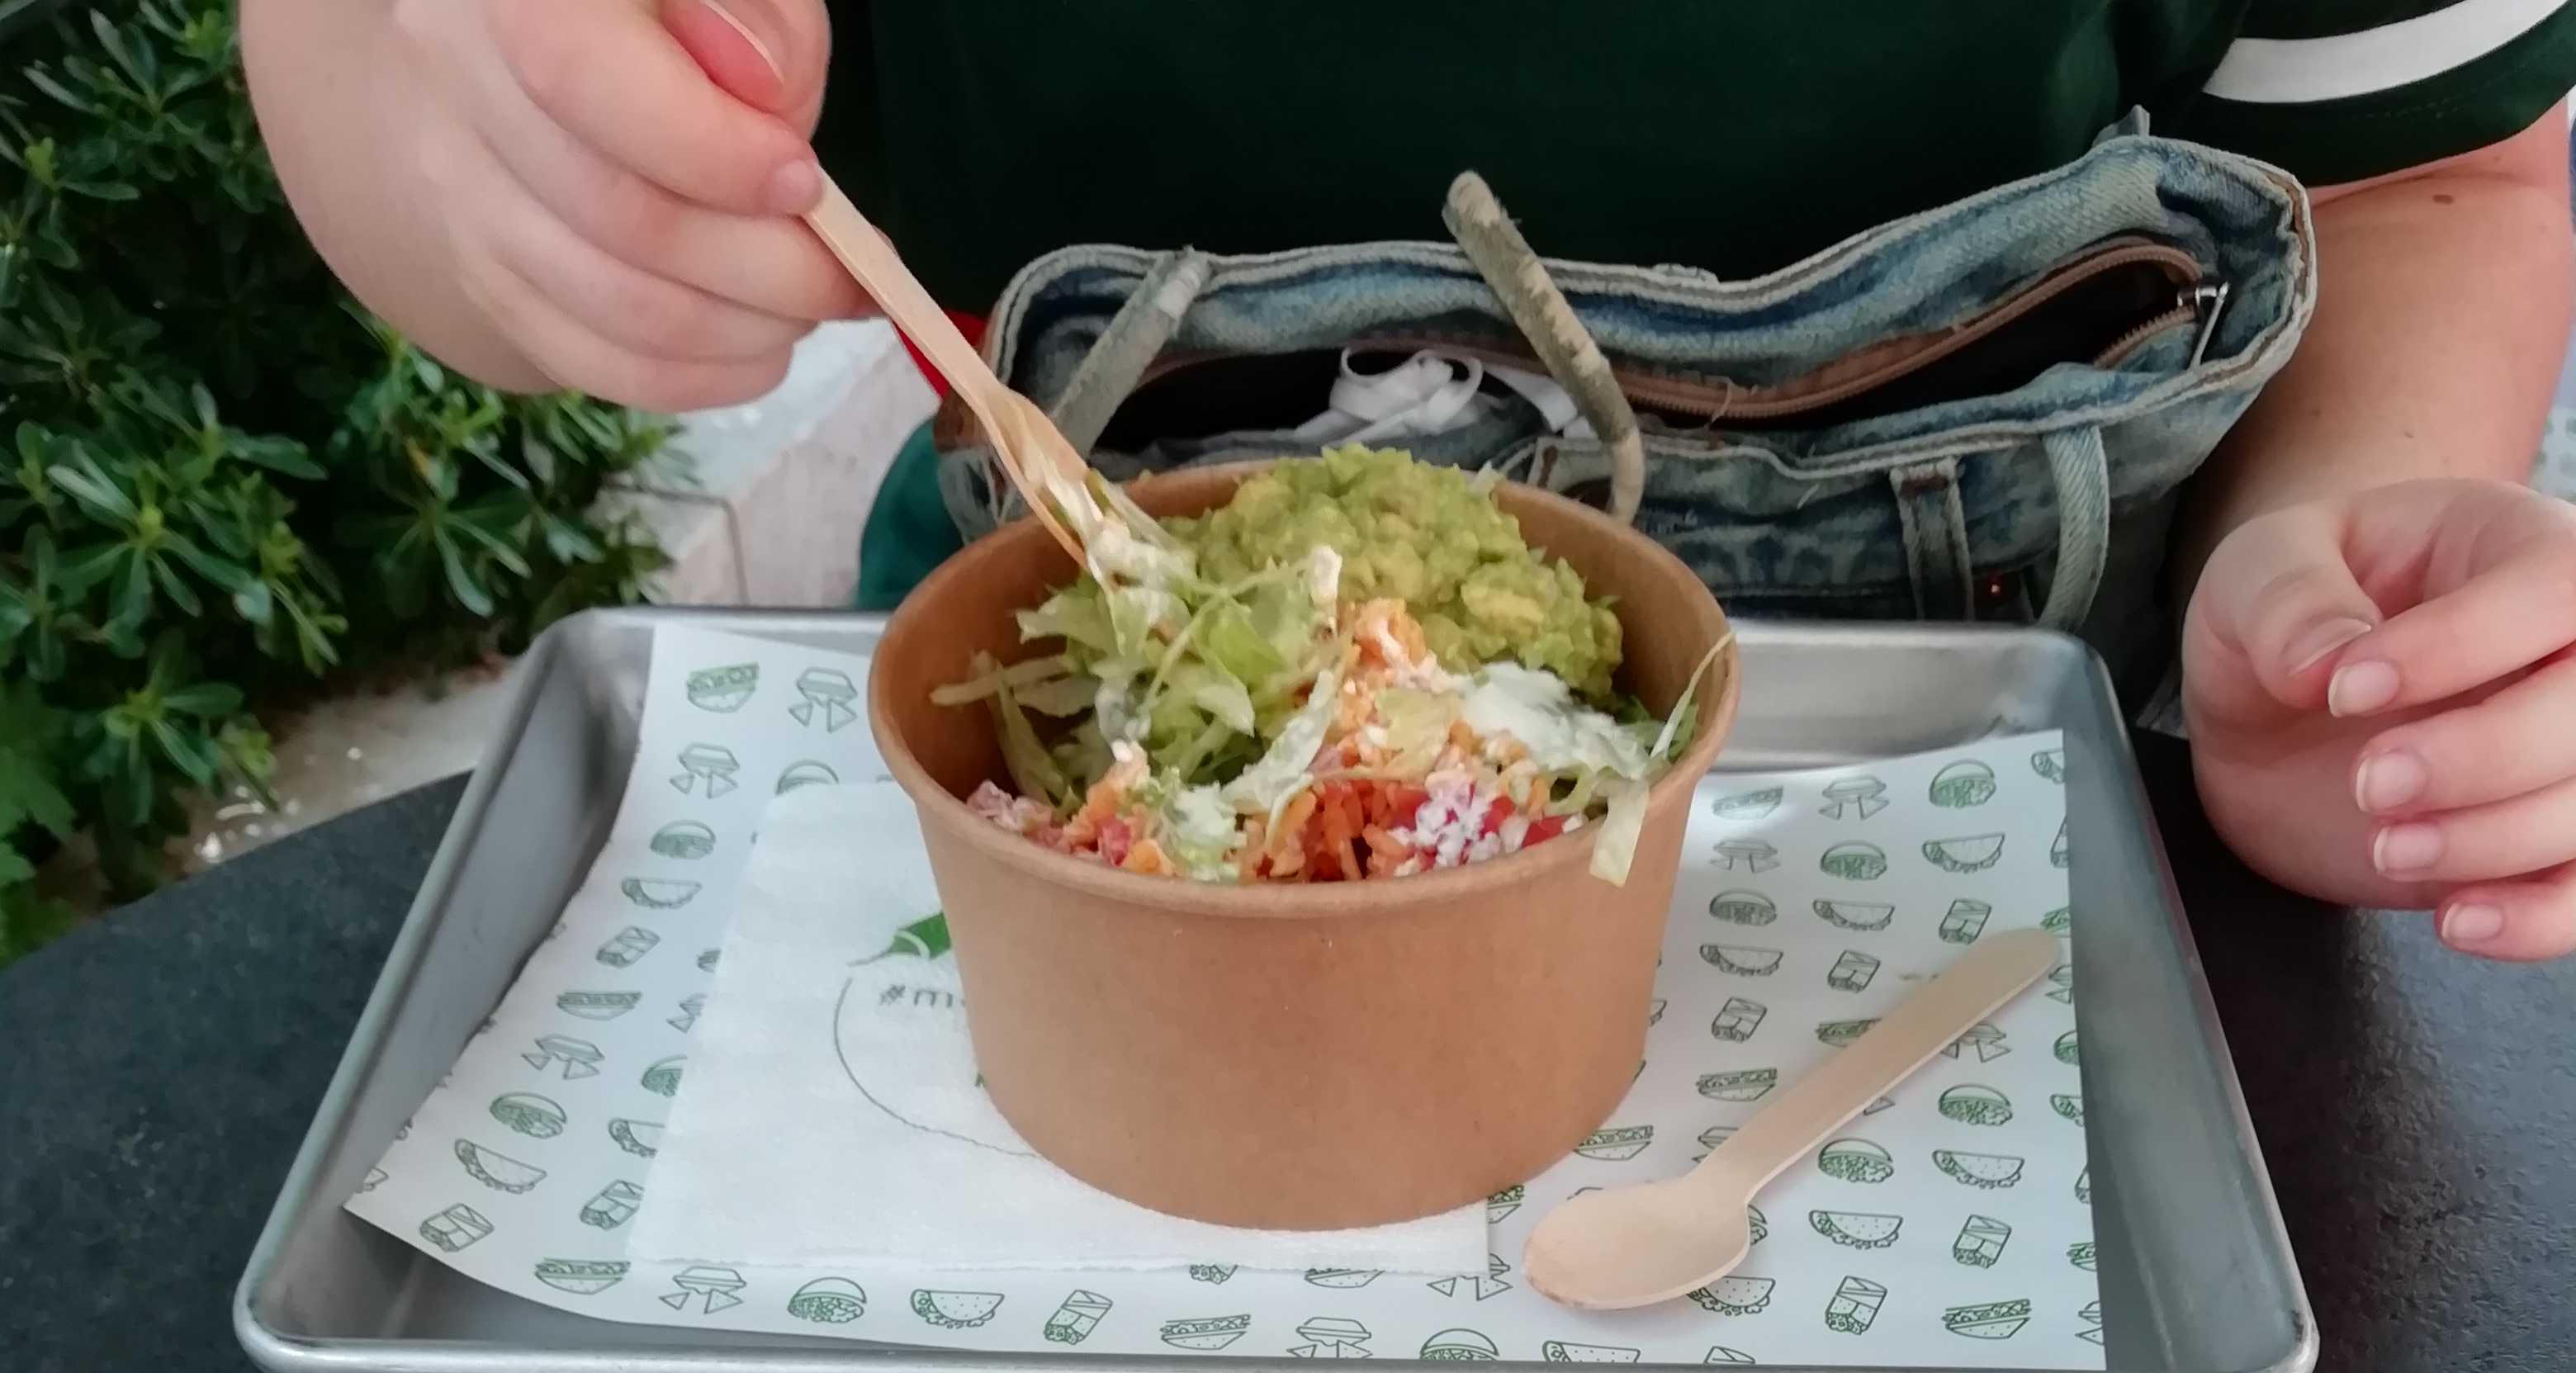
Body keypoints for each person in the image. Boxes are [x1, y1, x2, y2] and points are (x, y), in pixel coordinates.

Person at [239, 0, 2576, 957]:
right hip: (1012, 884)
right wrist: (444, 122)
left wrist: (2328, 590)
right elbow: (392, 67)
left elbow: (2424, 174)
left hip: (2010, 898)